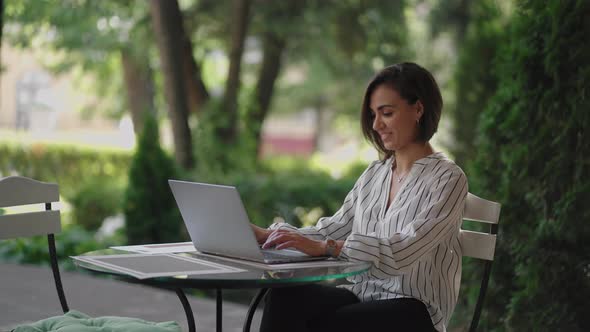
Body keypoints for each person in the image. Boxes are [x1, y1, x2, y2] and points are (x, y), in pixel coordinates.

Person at [251, 62, 468, 332]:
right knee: (285, 297)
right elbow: (331, 229)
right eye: (373, 115)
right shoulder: (375, 173)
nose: (376, 125)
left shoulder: (448, 178)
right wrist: (269, 236)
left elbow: (403, 249)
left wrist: (330, 248)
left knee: (332, 324)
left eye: (386, 113)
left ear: (419, 109)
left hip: (415, 309)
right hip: (363, 296)